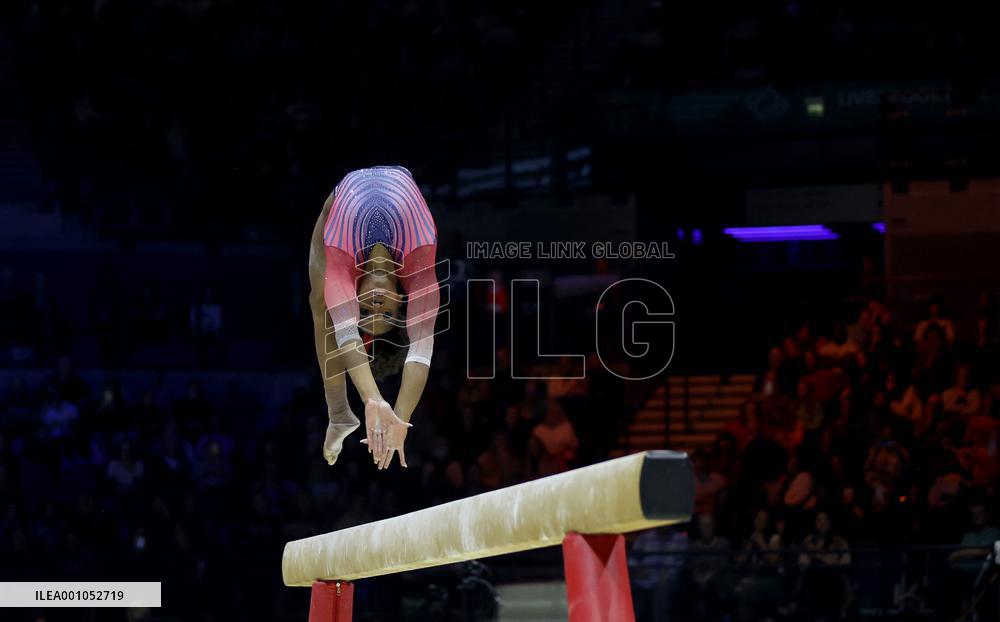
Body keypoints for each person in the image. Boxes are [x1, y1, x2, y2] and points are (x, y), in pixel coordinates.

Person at [308, 166, 440, 469]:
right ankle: (340, 414)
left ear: (355, 299)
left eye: (365, 312)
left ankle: (338, 413)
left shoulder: (342, 264)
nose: (375, 305)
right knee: (326, 306)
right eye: (385, 313)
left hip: (338, 202)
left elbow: (347, 336)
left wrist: (372, 400)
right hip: (402, 177)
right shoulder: (420, 263)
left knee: (321, 303)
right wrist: (400, 418)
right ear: (401, 301)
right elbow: (421, 352)